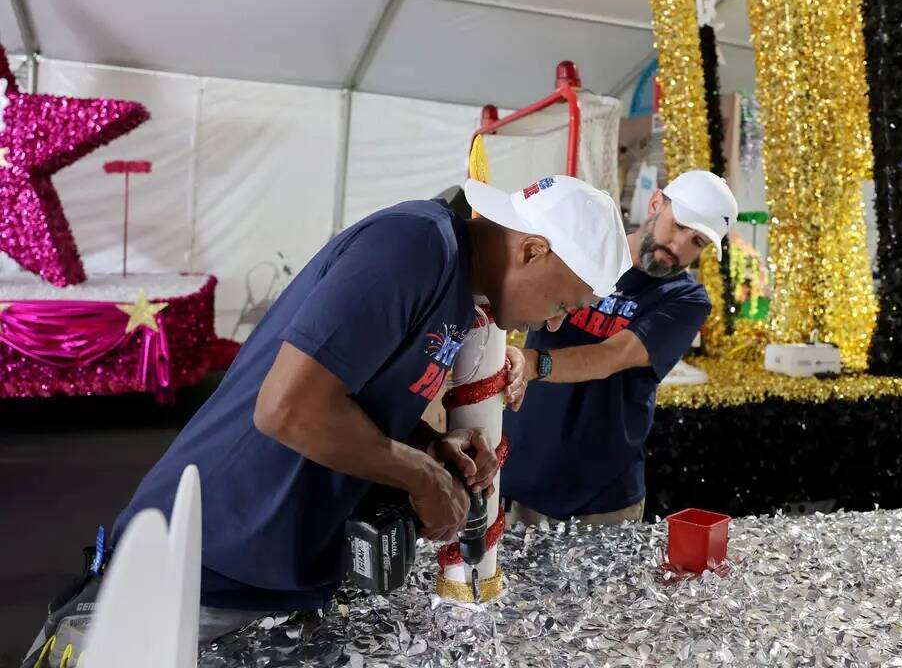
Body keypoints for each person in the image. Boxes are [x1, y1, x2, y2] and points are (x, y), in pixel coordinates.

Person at [28, 175, 630, 656]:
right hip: (206, 557)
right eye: (561, 303)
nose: (550, 324)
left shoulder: (453, 285)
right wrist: (417, 477)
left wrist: (426, 447)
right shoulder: (416, 244)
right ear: (532, 249)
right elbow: (288, 408)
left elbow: (357, 398)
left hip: (272, 565)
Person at [502, 170, 738, 525]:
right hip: (519, 474)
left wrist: (531, 363)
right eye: (677, 225)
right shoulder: (582, 243)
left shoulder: (686, 299)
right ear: (656, 203)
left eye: (697, 242)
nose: (678, 246)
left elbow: (611, 357)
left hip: (600, 496)